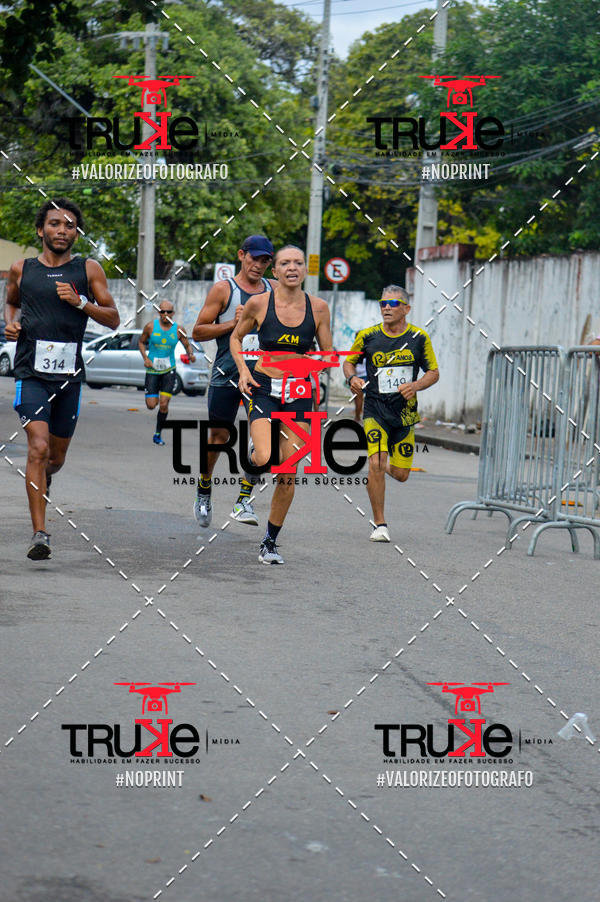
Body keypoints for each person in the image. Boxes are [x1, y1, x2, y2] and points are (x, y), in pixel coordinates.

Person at [4, 197, 120, 559]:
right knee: (36, 448)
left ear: (76, 233)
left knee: (55, 457)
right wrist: (11, 323)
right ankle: (40, 534)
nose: (62, 230)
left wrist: (80, 302)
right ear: (41, 230)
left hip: (68, 377)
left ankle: (47, 476)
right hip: (30, 372)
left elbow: (114, 319)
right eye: (55, 223)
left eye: (70, 225)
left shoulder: (88, 270)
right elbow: (11, 302)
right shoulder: (21, 268)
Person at [231, 245, 333, 564]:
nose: (292, 267)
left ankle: (269, 542)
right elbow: (236, 338)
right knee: (264, 456)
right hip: (264, 388)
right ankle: (255, 449)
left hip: (299, 394)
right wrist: (244, 371)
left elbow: (328, 355)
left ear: (305, 269)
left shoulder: (319, 308)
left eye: (298, 263)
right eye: (285, 263)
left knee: (288, 470)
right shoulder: (259, 303)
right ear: (274, 272)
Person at [343, 285, 439, 543]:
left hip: (405, 415)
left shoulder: (419, 338)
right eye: (383, 303)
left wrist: (416, 385)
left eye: (393, 304)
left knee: (400, 474)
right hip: (375, 409)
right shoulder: (368, 335)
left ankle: (377, 469)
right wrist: (352, 378)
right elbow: (348, 361)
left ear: (406, 309)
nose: (386, 307)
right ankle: (380, 523)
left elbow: (433, 372)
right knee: (375, 462)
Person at [191, 235, 275, 527]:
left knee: (264, 443)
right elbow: (198, 331)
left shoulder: (274, 291)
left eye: (266, 261)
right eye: (255, 258)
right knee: (219, 438)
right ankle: (204, 488)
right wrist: (233, 324)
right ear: (242, 255)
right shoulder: (224, 290)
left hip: (262, 378)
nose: (259, 265)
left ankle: (244, 500)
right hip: (226, 374)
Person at [138, 300, 196, 445]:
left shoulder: (178, 330)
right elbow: (141, 342)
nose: (165, 314)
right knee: (151, 405)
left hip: (169, 370)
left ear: (173, 313)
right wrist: (145, 358)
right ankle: (154, 398)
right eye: (162, 311)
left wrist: (191, 354)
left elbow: (187, 344)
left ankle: (157, 433)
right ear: (159, 312)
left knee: (164, 404)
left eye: (168, 312)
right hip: (152, 369)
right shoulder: (151, 327)